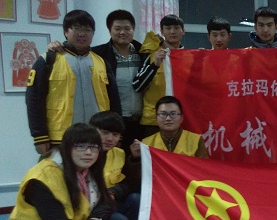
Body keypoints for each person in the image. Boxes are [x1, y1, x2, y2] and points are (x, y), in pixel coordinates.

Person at [26, 10, 120, 154]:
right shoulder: (48, 60)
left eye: (87, 30)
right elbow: (34, 100)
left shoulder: (101, 62)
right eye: (76, 28)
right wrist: (39, 136)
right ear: (66, 31)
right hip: (61, 138)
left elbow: (114, 100)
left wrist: (116, 132)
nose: (82, 34)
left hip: (97, 137)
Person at [46, 10, 144, 148]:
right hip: (110, 124)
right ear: (109, 31)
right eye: (117, 28)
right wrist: (56, 46)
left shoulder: (145, 53)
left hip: (141, 121)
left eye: (127, 28)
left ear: (133, 30)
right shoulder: (98, 55)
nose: (123, 32)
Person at [89, 111, 140, 220]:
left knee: (136, 199)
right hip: (90, 205)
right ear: (92, 130)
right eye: (105, 133)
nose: (110, 138)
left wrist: (114, 192)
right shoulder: (85, 154)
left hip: (111, 201)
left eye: (115, 134)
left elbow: (128, 183)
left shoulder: (119, 153)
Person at [132, 14, 185, 138]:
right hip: (154, 120)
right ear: (162, 31)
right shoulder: (152, 54)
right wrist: (155, 65)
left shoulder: (189, 57)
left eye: (176, 28)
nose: (172, 31)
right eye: (168, 28)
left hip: (182, 119)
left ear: (183, 31)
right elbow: (137, 86)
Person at [131, 95, 208, 158]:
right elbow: (141, 172)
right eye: (163, 114)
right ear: (156, 118)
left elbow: (202, 168)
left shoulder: (196, 140)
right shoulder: (146, 144)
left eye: (173, 114)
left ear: (181, 118)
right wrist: (135, 159)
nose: (168, 118)